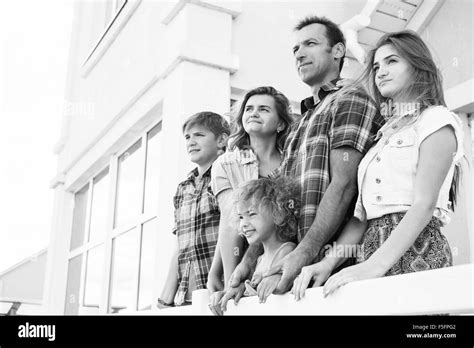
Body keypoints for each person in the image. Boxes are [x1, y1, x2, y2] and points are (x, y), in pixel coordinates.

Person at [220, 15, 385, 307]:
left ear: (337, 51)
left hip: (333, 272)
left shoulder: (350, 99)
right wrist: (249, 260)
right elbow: (279, 202)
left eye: (310, 43)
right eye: (295, 48)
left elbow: (344, 186)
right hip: (295, 272)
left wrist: (305, 253)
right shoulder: (300, 122)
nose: (299, 53)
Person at [292, 30, 464, 299]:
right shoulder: (382, 135)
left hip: (419, 252)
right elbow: (362, 218)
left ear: (418, 65)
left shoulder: (436, 120)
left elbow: (423, 204)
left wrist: (373, 266)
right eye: (376, 66)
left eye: (392, 61)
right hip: (369, 252)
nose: (380, 71)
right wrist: (327, 263)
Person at [206, 86, 294, 308]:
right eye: (248, 108)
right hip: (249, 261)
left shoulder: (292, 162)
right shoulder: (225, 164)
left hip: (287, 256)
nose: (254, 113)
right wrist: (231, 280)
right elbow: (230, 225)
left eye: (264, 109)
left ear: (281, 123)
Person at [157, 111, 230, 308]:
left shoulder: (227, 174)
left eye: (199, 135)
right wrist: (165, 297)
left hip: (218, 292)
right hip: (186, 297)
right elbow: (179, 246)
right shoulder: (183, 188)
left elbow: (233, 232)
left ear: (222, 140)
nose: (191, 141)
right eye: (188, 137)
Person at [209, 177, 300, 315]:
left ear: (278, 212)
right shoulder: (258, 260)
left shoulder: (286, 250)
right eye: (241, 217)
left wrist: (277, 279)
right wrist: (236, 291)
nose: (243, 223)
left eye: (251, 214)